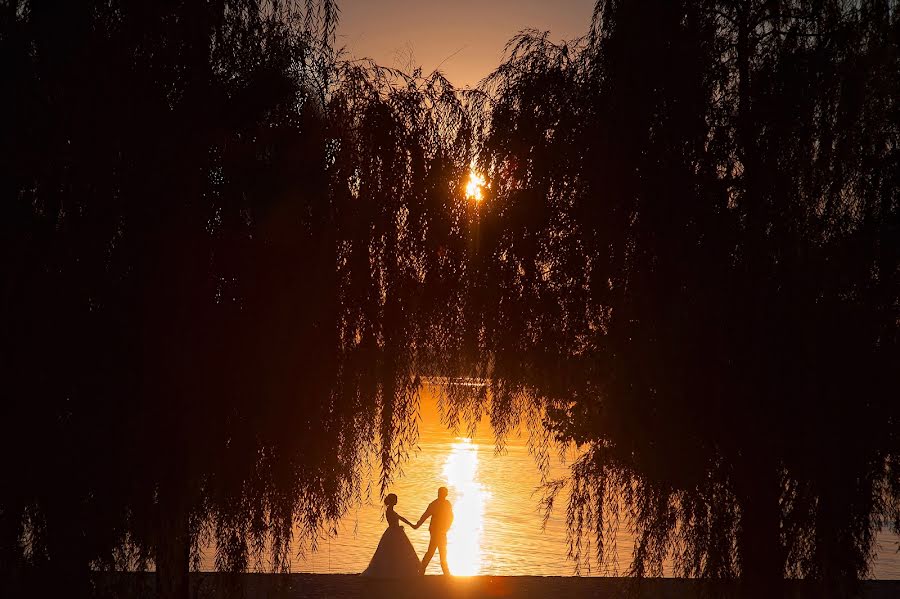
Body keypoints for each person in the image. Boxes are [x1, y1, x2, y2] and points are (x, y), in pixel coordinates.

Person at [361, 494, 421, 578]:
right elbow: (393, 522)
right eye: (396, 499)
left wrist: (412, 525)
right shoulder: (389, 511)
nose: (397, 501)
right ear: (392, 501)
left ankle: (397, 570)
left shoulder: (392, 510)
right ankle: (394, 571)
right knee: (394, 552)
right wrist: (400, 527)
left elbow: (401, 518)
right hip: (394, 532)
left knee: (397, 552)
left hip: (395, 532)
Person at [413, 486, 453, 575]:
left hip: (442, 531)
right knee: (432, 551)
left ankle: (445, 572)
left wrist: (446, 528)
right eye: (441, 493)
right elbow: (425, 515)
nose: (443, 495)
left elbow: (451, 517)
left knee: (442, 551)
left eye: (444, 493)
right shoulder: (434, 504)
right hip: (435, 531)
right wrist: (417, 525)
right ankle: (422, 570)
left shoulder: (447, 504)